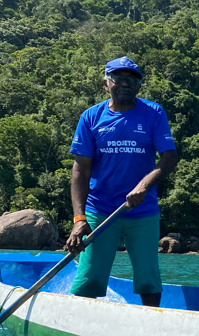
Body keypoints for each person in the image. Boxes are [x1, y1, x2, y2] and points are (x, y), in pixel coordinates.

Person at [66, 56, 179, 307]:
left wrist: (144, 185)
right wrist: (79, 219)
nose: (126, 84)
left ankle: (150, 327)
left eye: (133, 80)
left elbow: (169, 158)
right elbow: (80, 171)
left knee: (148, 277)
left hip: (142, 210)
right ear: (106, 83)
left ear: (139, 86)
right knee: (89, 279)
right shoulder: (91, 117)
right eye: (119, 78)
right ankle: (85, 327)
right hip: (100, 210)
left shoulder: (153, 113)